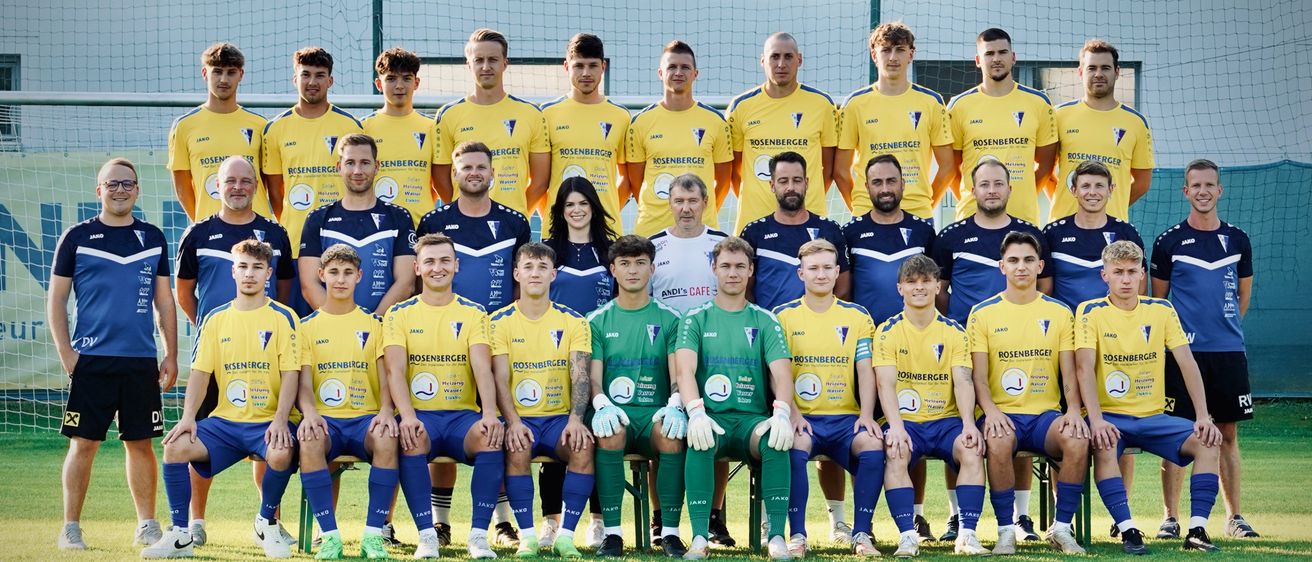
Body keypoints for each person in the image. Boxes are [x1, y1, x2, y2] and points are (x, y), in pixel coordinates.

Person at [141, 239, 299, 559]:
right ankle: (181, 533)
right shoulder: (215, 318)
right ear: (233, 271)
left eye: (257, 268)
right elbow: (200, 373)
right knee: (175, 446)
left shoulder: (284, 317)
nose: (250, 274)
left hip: (267, 422)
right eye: (243, 267)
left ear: (269, 273)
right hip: (225, 422)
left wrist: (282, 418)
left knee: (281, 453)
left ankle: (265, 523)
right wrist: (188, 419)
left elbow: (292, 374)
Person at [51, 158, 176, 550]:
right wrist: (67, 353)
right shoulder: (77, 237)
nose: (120, 190)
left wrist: (171, 354)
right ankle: (70, 527)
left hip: (140, 362)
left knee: (140, 443)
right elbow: (56, 300)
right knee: (83, 443)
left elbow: (165, 303)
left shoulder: (152, 237)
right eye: (112, 184)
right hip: (92, 361)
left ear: (137, 190)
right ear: (98, 191)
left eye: (128, 184)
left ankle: (147, 525)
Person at [174, 156, 296, 545]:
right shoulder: (197, 233)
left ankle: (269, 522)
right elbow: (183, 292)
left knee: (267, 439)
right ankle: (194, 524)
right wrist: (215, 329)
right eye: (231, 181)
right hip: (217, 358)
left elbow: (285, 291)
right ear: (217, 186)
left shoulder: (274, 234)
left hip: (265, 358)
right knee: (197, 440)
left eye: (246, 181)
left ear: (256, 186)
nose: (238, 187)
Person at [1076, 240, 1224, 554]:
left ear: (1143, 274)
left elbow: (1186, 361)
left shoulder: (1161, 309)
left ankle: (1197, 529)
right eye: (1118, 272)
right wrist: (1097, 419)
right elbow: (1084, 368)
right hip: (1111, 417)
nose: (1126, 279)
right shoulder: (1089, 311)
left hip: (1154, 417)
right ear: (1105, 276)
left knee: (1209, 441)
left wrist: (1202, 416)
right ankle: (1129, 530)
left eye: (1132, 271)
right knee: (1103, 444)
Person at [418, 141, 532, 543]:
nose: (474, 173)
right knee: (444, 417)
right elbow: (425, 276)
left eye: (481, 167)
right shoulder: (434, 220)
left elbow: (523, 283)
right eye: (466, 167)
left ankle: (501, 521)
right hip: (444, 338)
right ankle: (440, 521)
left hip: (499, 339)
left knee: (495, 423)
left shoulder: (514, 221)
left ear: (492, 172)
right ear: (454, 172)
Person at [930, 158, 1049, 540]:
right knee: (961, 426)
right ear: (972, 190)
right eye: (984, 184)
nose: (992, 190)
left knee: (1017, 418)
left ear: (1010, 189)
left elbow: (1044, 287)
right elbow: (940, 293)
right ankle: (955, 517)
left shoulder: (1029, 234)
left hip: (1020, 348)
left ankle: (1022, 516)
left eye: (999, 183)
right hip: (965, 347)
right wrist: (966, 324)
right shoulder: (949, 237)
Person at [1152, 159, 1258, 539]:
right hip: (1183, 355)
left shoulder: (1238, 239)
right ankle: (1170, 518)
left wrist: (1223, 331)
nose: (1202, 191)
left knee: (1227, 434)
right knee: (1178, 434)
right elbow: (1159, 302)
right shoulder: (1169, 242)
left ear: (1219, 190)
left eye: (1209, 185)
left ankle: (1235, 518)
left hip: (1228, 353)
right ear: (1185, 191)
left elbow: (1242, 296)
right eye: (1195, 185)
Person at [966, 231, 1089, 554]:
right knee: (998, 439)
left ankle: (1061, 528)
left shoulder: (1060, 313)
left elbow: (1070, 373)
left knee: (1077, 438)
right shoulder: (982, 313)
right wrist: (991, 412)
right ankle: (1007, 530)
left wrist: (1074, 410)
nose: (1021, 267)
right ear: (1002, 266)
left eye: (1029, 260)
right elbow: (977, 377)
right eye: (1014, 260)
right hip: (1000, 413)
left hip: (1044, 417)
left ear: (1040, 266)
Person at [384, 233, 506, 559]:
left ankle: (479, 537)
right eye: (430, 261)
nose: (438, 268)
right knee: (410, 438)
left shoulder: (475, 313)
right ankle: (427, 537)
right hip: (420, 415)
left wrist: (491, 413)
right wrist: (407, 416)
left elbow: (483, 368)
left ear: (456, 265)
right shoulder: (399, 314)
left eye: (444, 261)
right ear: (417, 268)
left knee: (491, 437)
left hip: (461, 418)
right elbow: (395, 371)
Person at [676, 236, 797, 561]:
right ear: (714, 269)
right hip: (710, 419)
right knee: (699, 439)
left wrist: (782, 412)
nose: (732, 273)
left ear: (751, 270)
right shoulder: (695, 318)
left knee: (776, 440)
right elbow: (685, 371)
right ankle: (700, 537)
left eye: (740, 266)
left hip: (751, 424)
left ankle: (775, 537)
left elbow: (782, 374)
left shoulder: (764, 319)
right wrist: (696, 411)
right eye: (726, 266)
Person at [773, 239, 885, 557]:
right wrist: (793, 413)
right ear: (801, 273)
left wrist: (865, 415)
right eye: (813, 268)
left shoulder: (858, 317)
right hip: (804, 418)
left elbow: (865, 370)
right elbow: (778, 374)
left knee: (873, 446)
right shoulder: (783, 316)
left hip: (846, 419)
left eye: (826, 268)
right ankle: (797, 536)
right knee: (793, 447)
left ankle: (861, 534)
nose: (820, 275)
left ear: (837, 272)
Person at [874, 255, 989, 557]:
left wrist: (968, 424)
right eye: (912, 282)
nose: (919, 287)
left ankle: (967, 534)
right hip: (907, 421)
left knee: (972, 447)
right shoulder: (886, 331)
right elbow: (884, 383)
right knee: (895, 450)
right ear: (900, 288)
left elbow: (963, 381)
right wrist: (896, 427)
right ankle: (907, 536)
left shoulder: (954, 331)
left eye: (926, 281)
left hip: (946, 421)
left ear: (938, 286)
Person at [491, 243, 596, 558]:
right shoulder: (498, 321)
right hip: (517, 417)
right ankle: (527, 537)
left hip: (556, 420)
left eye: (541, 267)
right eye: (528, 267)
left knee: (582, 445)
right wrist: (513, 422)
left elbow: (580, 375)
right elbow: (499, 377)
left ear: (553, 274)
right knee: (518, 444)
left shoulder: (574, 321)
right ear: (516, 273)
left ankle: (565, 536)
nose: (534, 273)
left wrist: (576, 420)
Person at [587, 235, 689, 557]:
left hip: (655, 413)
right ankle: (612, 535)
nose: (633, 271)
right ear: (613, 270)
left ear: (652, 268)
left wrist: (675, 403)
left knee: (671, 434)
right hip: (613, 412)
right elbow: (594, 378)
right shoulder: (597, 320)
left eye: (640, 263)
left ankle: (669, 533)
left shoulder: (671, 319)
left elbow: (678, 375)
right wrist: (601, 403)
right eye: (626, 264)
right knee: (610, 431)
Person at [295, 244, 398, 560]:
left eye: (348, 273)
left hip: (365, 420)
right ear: (322, 275)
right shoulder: (305, 327)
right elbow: (303, 383)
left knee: (386, 436)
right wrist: (310, 413)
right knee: (310, 440)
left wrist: (384, 411)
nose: (341, 280)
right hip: (327, 421)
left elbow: (386, 376)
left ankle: (373, 536)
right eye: (334, 272)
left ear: (359, 276)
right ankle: (328, 536)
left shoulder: (375, 324)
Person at [834, 22, 953, 219]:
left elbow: (948, 166)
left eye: (900, 50)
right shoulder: (855, 104)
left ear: (911, 55)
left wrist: (926, 205)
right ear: (874, 55)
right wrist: (861, 208)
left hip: (917, 213)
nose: (893, 57)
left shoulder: (931, 102)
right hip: (868, 213)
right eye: (886, 50)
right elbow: (840, 170)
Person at [434, 28, 551, 219]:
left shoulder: (531, 113)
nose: (486, 66)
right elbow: (440, 179)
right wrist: (467, 209)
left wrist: (515, 215)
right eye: (479, 60)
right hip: (464, 224)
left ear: (505, 63)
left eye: (493, 60)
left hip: (513, 226)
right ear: (468, 65)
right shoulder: (448, 114)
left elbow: (540, 181)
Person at [727, 32, 837, 233]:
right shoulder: (741, 106)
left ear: (799, 60)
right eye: (774, 56)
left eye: (788, 57)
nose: (781, 64)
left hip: (808, 219)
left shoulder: (822, 104)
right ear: (762, 61)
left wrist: (800, 197)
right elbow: (734, 171)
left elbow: (827, 170)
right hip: (755, 220)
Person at [263, 46, 364, 266]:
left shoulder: (350, 125)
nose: (312, 82)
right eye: (305, 74)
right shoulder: (275, 128)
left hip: (343, 235)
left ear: (330, 81)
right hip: (295, 238)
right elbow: (275, 190)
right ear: (294, 79)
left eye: (320, 75)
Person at [947, 28, 1056, 226]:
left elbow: (1046, 166)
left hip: (1022, 218)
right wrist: (975, 197)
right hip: (973, 218)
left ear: (1013, 57)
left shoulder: (1038, 102)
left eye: (1002, 52)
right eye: (989, 53)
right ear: (978, 60)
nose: (996, 58)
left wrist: (1021, 195)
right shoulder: (959, 105)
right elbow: (952, 169)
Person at [298, 133, 416, 315]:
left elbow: (406, 283)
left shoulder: (399, 217)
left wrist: (374, 323)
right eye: (350, 163)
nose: (357, 171)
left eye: (365, 163)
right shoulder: (318, 218)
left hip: (382, 328)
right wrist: (339, 321)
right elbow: (309, 284)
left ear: (376, 167)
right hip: (332, 327)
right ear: (339, 167)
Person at [628, 40, 733, 237]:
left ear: (695, 74)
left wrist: (702, 209)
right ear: (660, 73)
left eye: (685, 67)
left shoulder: (715, 121)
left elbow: (724, 180)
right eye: (672, 67)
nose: (678, 72)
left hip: (702, 230)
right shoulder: (640, 122)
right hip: (652, 230)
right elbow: (636, 181)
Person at [1049, 39, 1154, 223]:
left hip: (1112, 228)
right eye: (1092, 68)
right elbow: (1044, 171)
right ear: (1080, 72)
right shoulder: (1059, 115)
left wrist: (1104, 205)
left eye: (1105, 68)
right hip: (1063, 224)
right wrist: (1068, 199)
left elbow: (1142, 183)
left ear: (1117, 72)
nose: (1098, 74)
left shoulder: (1135, 122)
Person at [169, 42, 272, 221]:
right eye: (217, 71)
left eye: (231, 72)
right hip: (210, 230)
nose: (224, 79)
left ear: (241, 75)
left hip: (255, 229)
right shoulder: (184, 126)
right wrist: (202, 224)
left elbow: (270, 182)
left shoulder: (260, 125)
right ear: (204, 74)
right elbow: (182, 188)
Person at [541, 33, 630, 235]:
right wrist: (556, 213)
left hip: (606, 232)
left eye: (592, 65)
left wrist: (605, 210)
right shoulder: (547, 113)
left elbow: (628, 179)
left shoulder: (621, 116)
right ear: (566, 67)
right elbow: (539, 181)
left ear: (603, 67)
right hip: (558, 231)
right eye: (579, 66)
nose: (586, 73)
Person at [740, 151, 848, 311]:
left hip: (817, 329)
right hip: (771, 330)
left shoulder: (830, 230)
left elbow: (843, 289)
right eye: (783, 181)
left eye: (797, 180)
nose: (790, 187)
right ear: (772, 185)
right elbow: (745, 290)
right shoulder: (754, 232)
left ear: (806, 183)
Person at [843, 154, 937, 326]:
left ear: (902, 183)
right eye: (877, 182)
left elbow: (936, 287)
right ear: (867, 187)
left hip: (914, 334)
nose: (885, 189)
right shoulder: (850, 232)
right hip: (866, 336)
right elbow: (843, 290)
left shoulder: (923, 231)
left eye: (891, 181)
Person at [1043, 160, 1146, 311]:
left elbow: (1140, 290)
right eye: (1085, 186)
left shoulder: (1126, 233)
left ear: (1110, 190)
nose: (1092, 192)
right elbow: (1044, 289)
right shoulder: (1053, 233)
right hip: (1066, 327)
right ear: (1073, 190)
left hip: (1112, 326)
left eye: (1099, 186)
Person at [362, 47, 442, 224]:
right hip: (375, 226)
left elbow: (440, 183)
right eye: (391, 78)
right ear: (379, 84)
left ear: (417, 83)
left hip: (421, 227)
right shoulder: (363, 128)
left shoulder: (432, 127)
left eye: (406, 78)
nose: (399, 86)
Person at [545, 177, 618, 316]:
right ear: (561, 211)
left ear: (593, 207)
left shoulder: (612, 250)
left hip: (599, 335)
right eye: (569, 205)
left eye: (583, 203)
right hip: (557, 334)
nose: (576, 210)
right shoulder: (547, 250)